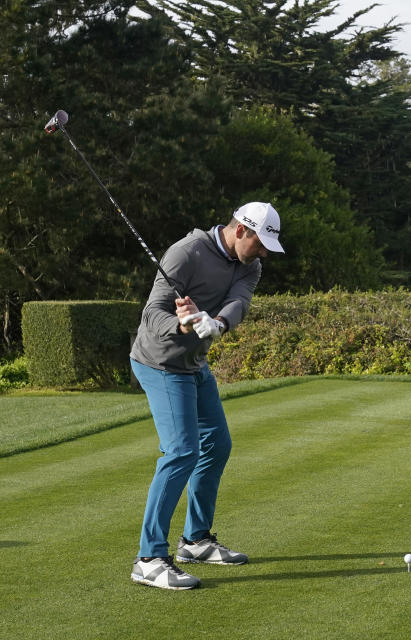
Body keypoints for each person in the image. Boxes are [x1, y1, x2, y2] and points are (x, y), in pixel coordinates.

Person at [129, 202, 285, 590]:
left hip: (194, 365)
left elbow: (239, 302)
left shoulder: (251, 265)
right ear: (240, 231)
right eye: (260, 243)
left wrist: (216, 322)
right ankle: (149, 558)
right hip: (160, 362)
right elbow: (152, 315)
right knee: (182, 451)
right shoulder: (186, 253)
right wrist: (182, 324)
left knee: (216, 444)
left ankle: (195, 540)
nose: (263, 252)